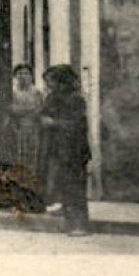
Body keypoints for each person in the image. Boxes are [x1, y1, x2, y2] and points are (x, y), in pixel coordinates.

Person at [41, 64, 93, 236]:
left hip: (75, 149)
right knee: (63, 185)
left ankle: (80, 225)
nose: (49, 85)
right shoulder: (52, 97)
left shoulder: (75, 99)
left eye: (52, 81)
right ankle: (68, 218)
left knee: (76, 187)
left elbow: (76, 125)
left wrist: (53, 123)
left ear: (62, 81)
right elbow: (44, 113)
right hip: (57, 148)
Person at [0, 63, 46, 190]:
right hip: (17, 129)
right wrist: (29, 110)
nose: (22, 76)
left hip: (34, 129)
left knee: (33, 158)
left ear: (31, 76)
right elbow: (11, 110)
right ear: (15, 76)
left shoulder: (37, 93)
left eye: (26, 73)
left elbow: (41, 109)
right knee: (17, 158)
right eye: (19, 74)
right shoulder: (12, 93)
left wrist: (26, 111)